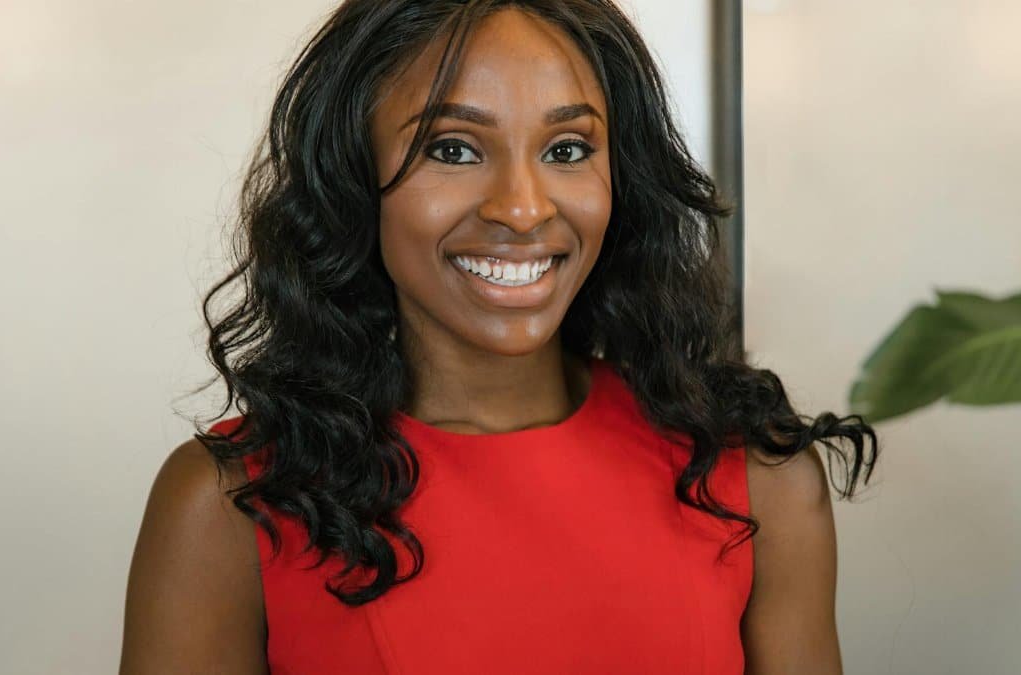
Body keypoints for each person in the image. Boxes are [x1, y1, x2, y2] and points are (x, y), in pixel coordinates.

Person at [120, 1, 879, 673]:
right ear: (353, 179)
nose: (521, 208)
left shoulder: (758, 480)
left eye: (568, 150)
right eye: (453, 148)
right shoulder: (227, 509)